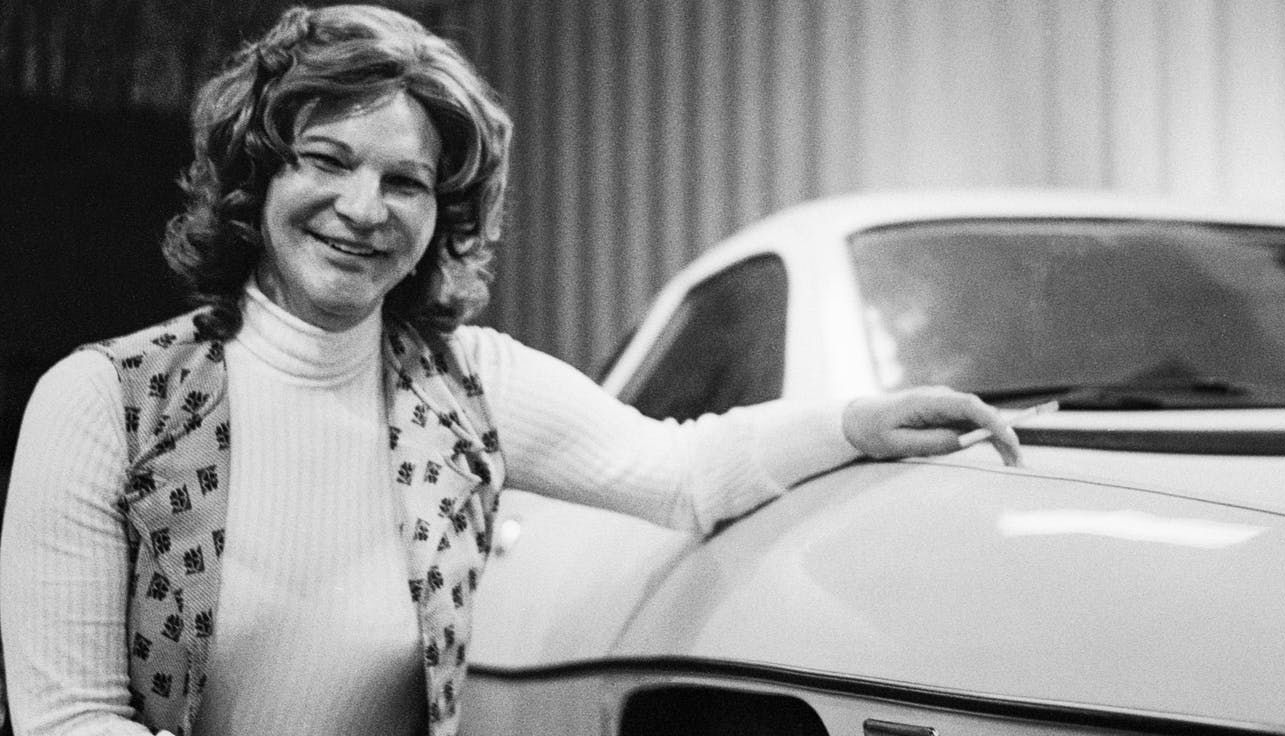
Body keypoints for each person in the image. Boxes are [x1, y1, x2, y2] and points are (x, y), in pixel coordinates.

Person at [0, 5, 1023, 736]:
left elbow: (682, 472)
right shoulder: (106, 403)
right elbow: (69, 717)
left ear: (440, 216)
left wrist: (855, 423)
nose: (364, 208)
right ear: (254, 176)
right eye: (326, 159)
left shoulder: (468, 387)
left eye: (406, 181)